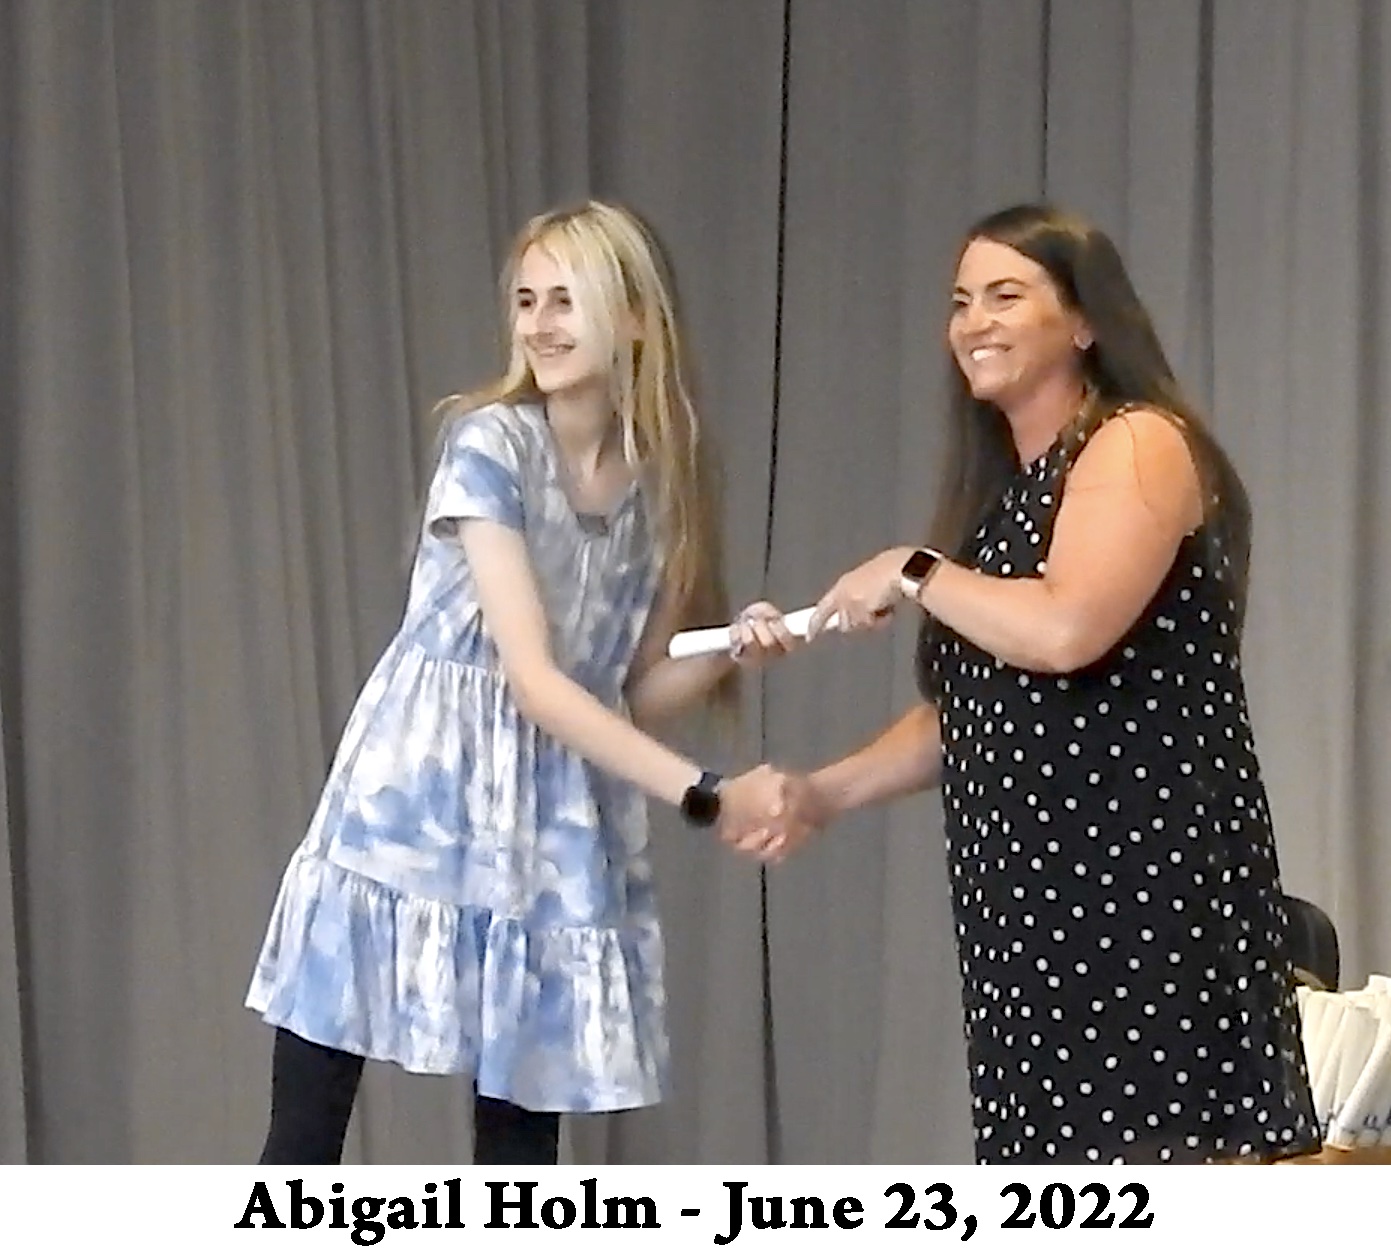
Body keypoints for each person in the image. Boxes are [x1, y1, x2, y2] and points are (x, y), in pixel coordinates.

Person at [728, 203, 1321, 1165]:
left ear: (1084, 321)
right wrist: (824, 793)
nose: (974, 322)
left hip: (1140, 908)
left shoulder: (1136, 442)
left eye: (1006, 295)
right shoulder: (1007, 496)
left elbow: (1065, 631)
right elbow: (979, 711)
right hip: (1029, 920)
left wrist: (915, 571)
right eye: (961, 301)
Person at [245, 199, 797, 1165]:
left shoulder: (665, 474)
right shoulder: (489, 445)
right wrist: (706, 794)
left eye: (565, 300)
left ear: (633, 317)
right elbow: (536, 683)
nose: (538, 323)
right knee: (302, 1144)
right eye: (526, 300)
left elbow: (628, 689)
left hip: (545, 817)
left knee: (519, 1153)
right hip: (412, 798)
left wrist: (728, 650)